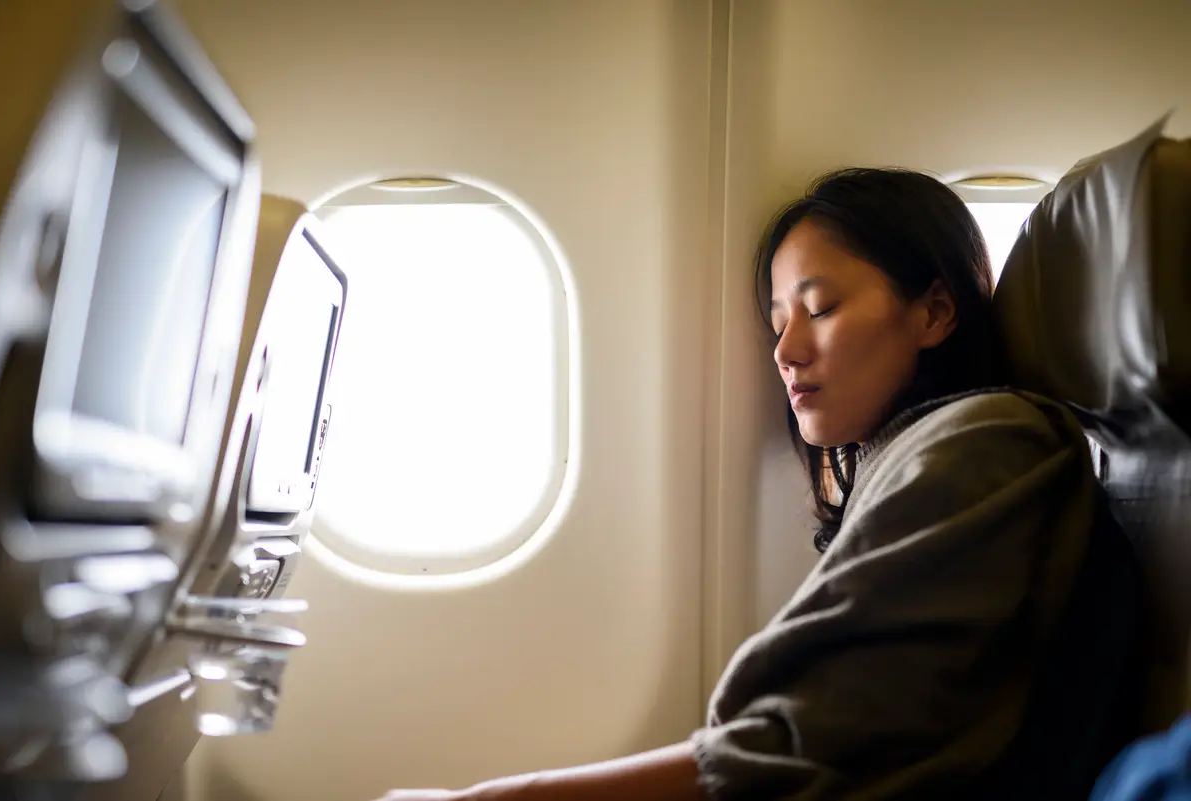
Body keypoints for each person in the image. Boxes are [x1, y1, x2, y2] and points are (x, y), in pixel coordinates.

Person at [378, 168, 1140, 801]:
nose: (784, 349)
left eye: (819, 308)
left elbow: (808, 746)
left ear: (935, 310)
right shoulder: (910, 460)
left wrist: (485, 800)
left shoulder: (989, 444)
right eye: (777, 318)